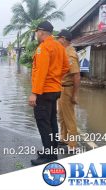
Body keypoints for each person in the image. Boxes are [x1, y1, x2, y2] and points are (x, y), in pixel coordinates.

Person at [28, 21, 70, 166]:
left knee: (43, 123)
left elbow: (41, 72)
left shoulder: (44, 48)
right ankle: (50, 150)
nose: (36, 35)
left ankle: (48, 156)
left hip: (44, 91)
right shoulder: (59, 46)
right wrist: (56, 78)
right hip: (55, 90)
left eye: (36, 32)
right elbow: (66, 67)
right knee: (52, 121)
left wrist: (34, 93)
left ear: (41, 31)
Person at [57, 30, 80, 151]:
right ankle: (64, 138)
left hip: (68, 89)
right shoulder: (63, 51)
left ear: (64, 39)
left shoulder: (70, 54)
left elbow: (76, 75)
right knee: (61, 116)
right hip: (61, 88)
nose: (57, 40)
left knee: (69, 117)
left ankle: (72, 145)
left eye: (59, 38)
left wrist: (75, 95)